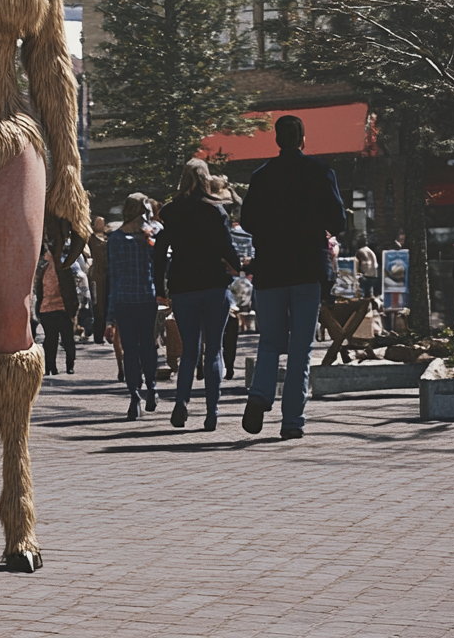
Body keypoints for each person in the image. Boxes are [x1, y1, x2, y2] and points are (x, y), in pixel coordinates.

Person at [239, 115, 346, 440]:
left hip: (270, 268)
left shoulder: (262, 176)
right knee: (301, 347)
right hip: (306, 269)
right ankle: (292, 422)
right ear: (302, 138)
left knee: (270, 341)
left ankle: (259, 395)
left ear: (276, 140)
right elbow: (338, 220)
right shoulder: (320, 172)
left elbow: (247, 221)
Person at [154, 160, 242, 432]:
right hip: (214, 284)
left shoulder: (171, 211)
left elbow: (159, 252)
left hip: (182, 287)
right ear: (206, 179)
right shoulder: (216, 210)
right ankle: (212, 412)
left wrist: (160, 287)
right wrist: (239, 266)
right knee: (213, 350)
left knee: (190, 351)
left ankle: (181, 402)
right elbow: (226, 247)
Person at [104, 194, 159, 420]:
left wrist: (109, 315)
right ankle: (149, 387)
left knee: (131, 349)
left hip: (125, 298)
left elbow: (113, 276)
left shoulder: (116, 238)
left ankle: (135, 394)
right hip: (145, 297)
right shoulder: (149, 236)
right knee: (147, 345)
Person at [34, 239, 78, 375]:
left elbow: (70, 288)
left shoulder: (62, 266)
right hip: (50, 309)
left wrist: (73, 307)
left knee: (58, 340)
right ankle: (52, 367)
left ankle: (58, 367)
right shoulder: (44, 267)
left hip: (59, 308)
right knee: (58, 340)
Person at [87, 216, 109, 344]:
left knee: (107, 303)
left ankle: (108, 332)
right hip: (96, 274)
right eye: (97, 222)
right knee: (98, 304)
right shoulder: (90, 239)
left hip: (108, 273)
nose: (100, 224)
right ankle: (98, 335)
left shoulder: (108, 238)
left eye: (102, 222)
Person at [355, 235, 379, 300]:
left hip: (366, 275)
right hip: (374, 274)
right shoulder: (370, 250)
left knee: (363, 296)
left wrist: (358, 273)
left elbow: (356, 264)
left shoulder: (360, 251)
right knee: (370, 295)